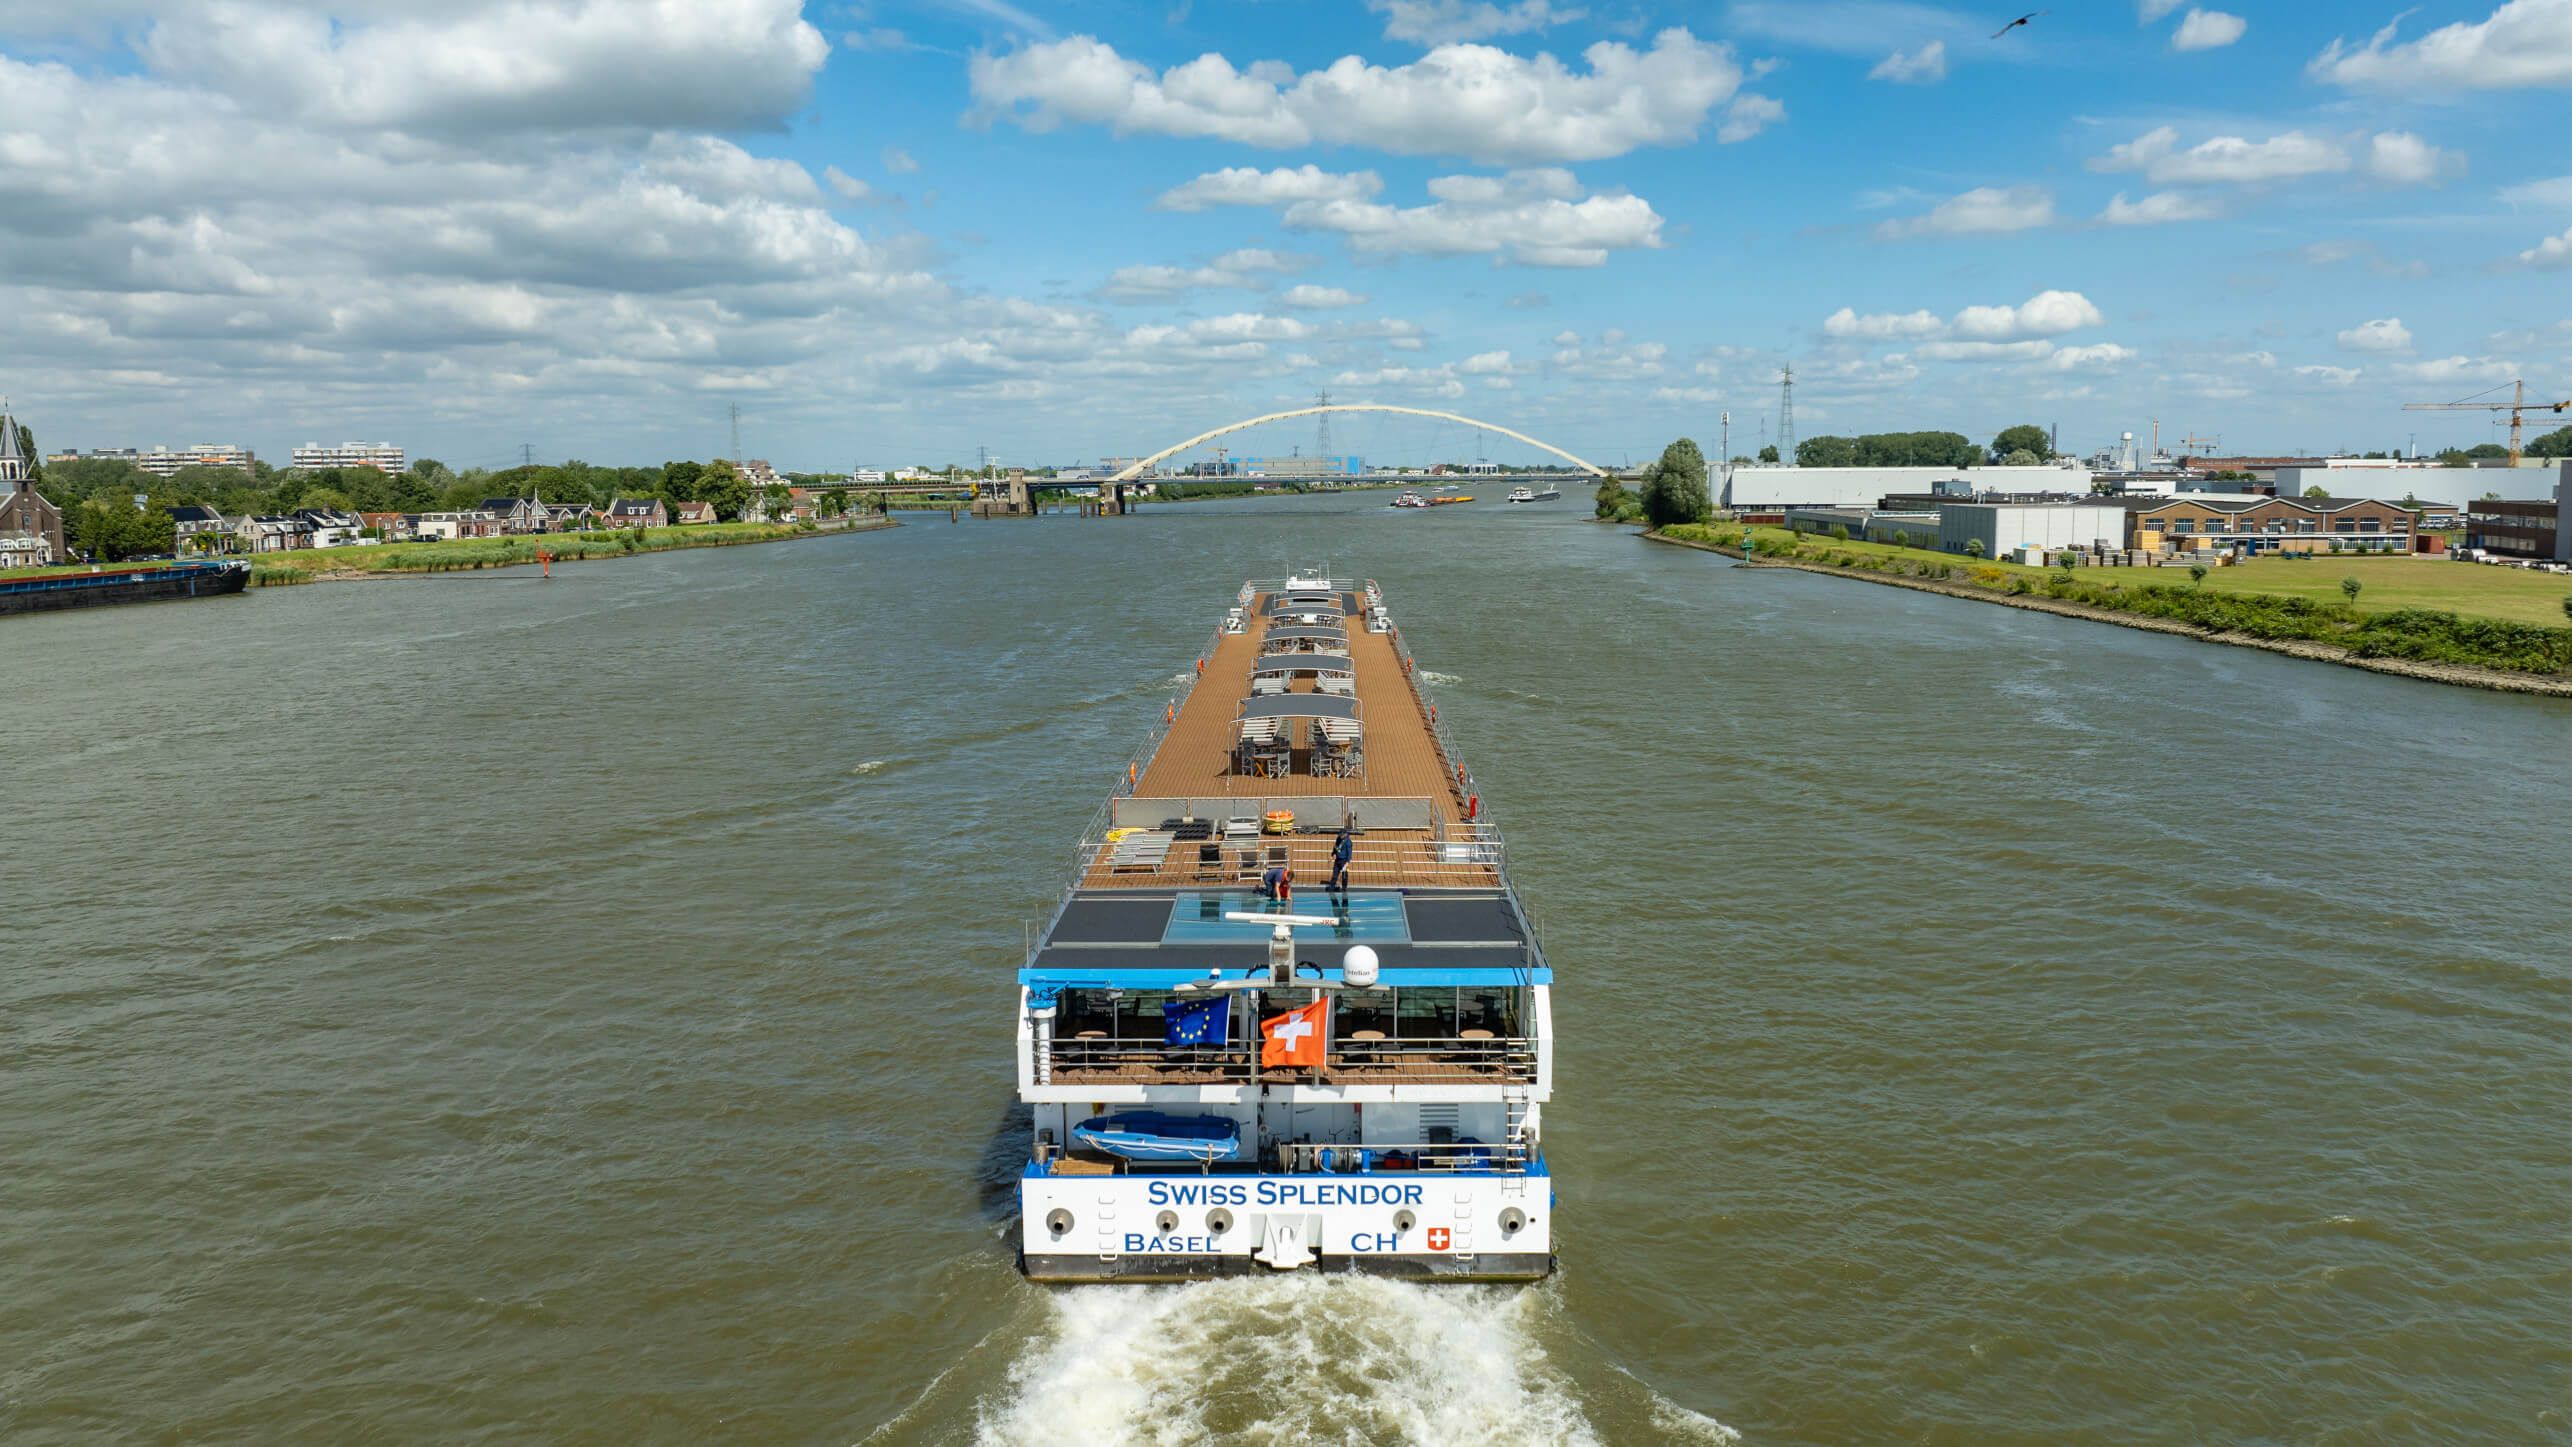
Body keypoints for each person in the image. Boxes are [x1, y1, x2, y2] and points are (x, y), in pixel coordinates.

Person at [1330, 823, 1354, 894]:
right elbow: (1335, 847)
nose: (1339, 836)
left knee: (1344, 876)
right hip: (1337, 860)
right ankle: (1331, 888)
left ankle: (1344, 889)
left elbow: (1349, 852)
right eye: (1339, 835)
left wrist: (1347, 862)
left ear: (1344, 834)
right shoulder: (1338, 839)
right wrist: (1333, 854)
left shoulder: (1348, 842)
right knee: (1334, 875)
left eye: (1341, 835)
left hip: (1344, 861)